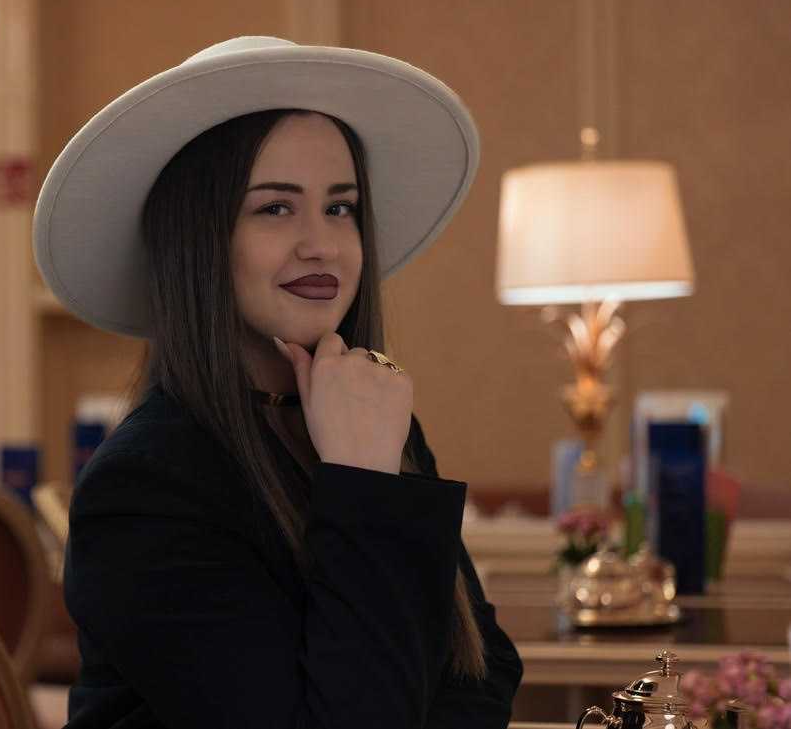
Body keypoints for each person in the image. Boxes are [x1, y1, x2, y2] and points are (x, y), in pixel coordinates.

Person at [33, 36, 523, 728]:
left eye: (341, 207)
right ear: (199, 240)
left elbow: (483, 666)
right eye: (275, 208)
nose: (321, 243)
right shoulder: (145, 488)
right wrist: (364, 483)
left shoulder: (371, 421)